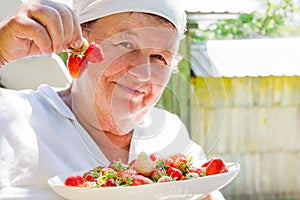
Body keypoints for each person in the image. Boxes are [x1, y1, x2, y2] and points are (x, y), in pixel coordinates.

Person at [0, 0, 225, 199]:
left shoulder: (172, 136)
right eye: (125, 44)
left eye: (159, 57)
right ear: (80, 42)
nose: (142, 73)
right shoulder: (13, 117)